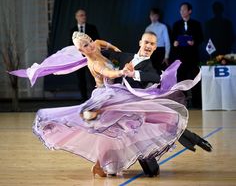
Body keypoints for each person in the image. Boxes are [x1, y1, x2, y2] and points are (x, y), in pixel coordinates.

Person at [10, 32, 193, 177]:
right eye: (85, 46)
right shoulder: (94, 62)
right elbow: (109, 73)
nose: (90, 45)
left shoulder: (96, 45)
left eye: (89, 41)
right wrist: (122, 71)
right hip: (105, 94)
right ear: (81, 51)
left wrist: (113, 47)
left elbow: (101, 42)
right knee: (112, 125)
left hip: (117, 93)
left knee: (116, 128)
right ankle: (104, 155)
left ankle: (106, 164)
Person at [103, 31, 212, 176]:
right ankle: (111, 164)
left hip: (136, 108)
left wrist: (133, 74)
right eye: (146, 42)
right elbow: (101, 52)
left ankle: (191, 139)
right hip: (117, 104)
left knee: (152, 168)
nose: (148, 45)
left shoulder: (150, 66)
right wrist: (94, 46)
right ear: (140, 42)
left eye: (152, 44)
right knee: (113, 133)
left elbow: (155, 78)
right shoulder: (125, 56)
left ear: (155, 48)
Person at [171, 2, 204, 108]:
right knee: (181, 78)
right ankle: (182, 102)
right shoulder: (176, 24)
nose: (182, 12)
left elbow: (201, 38)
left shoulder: (196, 24)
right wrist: (174, 43)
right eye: (181, 10)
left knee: (195, 78)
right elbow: (172, 38)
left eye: (184, 10)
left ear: (190, 11)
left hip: (193, 56)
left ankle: (197, 103)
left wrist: (194, 42)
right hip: (180, 56)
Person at [70, 9, 100, 102]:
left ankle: (95, 98)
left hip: (91, 58)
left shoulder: (92, 28)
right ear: (76, 17)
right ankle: (84, 100)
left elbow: (97, 41)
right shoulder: (73, 30)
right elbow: (70, 45)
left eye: (84, 15)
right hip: (79, 59)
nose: (83, 17)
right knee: (81, 79)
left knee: (93, 78)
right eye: (81, 15)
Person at [145, 8, 171, 74]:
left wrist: (166, 56)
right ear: (149, 16)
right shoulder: (148, 28)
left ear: (158, 17)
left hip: (160, 51)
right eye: (152, 15)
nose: (153, 17)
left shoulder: (163, 27)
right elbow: (145, 43)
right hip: (150, 50)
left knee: (159, 71)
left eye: (155, 16)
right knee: (149, 70)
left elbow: (167, 42)